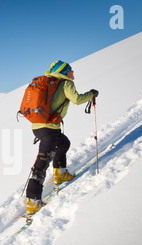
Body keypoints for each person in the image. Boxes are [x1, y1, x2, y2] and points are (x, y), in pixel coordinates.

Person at [25, 60, 99, 224]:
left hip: (39, 126)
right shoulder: (66, 83)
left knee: (63, 143)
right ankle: (32, 202)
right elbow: (77, 99)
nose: (73, 73)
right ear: (64, 72)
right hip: (49, 128)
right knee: (42, 163)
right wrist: (92, 94)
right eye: (71, 70)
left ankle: (60, 174)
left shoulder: (50, 82)